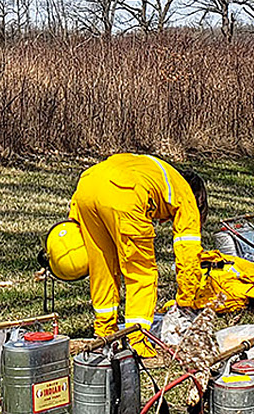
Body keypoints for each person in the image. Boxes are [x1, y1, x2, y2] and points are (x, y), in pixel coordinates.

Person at [68, 153, 207, 357]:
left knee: (103, 266)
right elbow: (188, 252)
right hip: (125, 192)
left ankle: (105, 332)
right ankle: (137, 340)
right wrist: (187, 300)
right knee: (141, 272)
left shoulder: (156, 171)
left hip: (86, 187)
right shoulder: (185, 195)